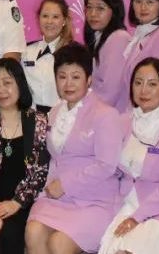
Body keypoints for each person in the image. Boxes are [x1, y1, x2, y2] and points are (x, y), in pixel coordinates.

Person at [25, 43, 123, 254]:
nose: (68, 83)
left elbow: (106, 165)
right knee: (33, 232)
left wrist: (65, 184)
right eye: (62, 76)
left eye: (76, 77)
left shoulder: (106, 114)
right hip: (57, 198)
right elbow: (55, 159)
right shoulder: (54, 112)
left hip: (94, 201)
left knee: (59, 244)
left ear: (89, 79)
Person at [99, 58, 159, 254]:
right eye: (138, 83)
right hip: (125, 205)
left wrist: (138, 216)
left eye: (152, 84)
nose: (143, 90)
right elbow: (109, 169)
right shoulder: (122, 122)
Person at [0, 58, 50, 254]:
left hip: (21, 202)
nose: (1, 90)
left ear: (20, 84)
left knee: (12, 232)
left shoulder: (37, 120)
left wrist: (16, 203)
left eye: (7, 83)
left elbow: (40, 172)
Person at [81, 0, 132, 109]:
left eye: (100, 8)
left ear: (114, 11)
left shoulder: (119, 38)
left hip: (112, 114)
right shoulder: (98, 37)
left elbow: (110, 92)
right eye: (89, 7)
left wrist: (82, 111)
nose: (93, 14)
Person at [21, 0, 73, 113]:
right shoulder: (26, 51)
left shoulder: (74, 53)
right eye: (45, 16)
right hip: (31, 116)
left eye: (55, 17)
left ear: (64, 21)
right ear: (38, 18)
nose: (49, 21)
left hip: (62, 116)